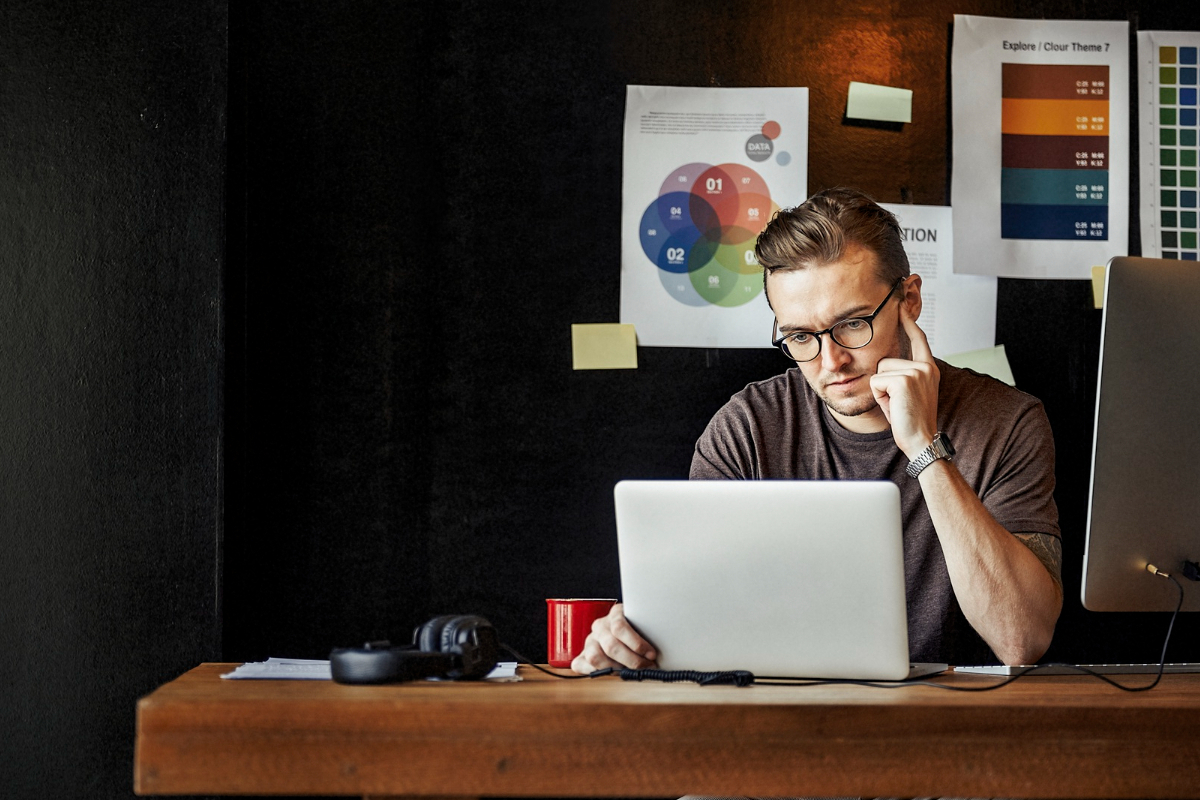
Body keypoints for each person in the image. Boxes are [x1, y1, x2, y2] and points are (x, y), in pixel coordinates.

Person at [574, 188, 1063, 671]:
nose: (831, 361)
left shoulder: (1007, 421)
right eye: (801, 336)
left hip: (952, 715)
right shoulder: (747, 428)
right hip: (782, 710)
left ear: (909, 300)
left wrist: (925, 448)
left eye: (852, 324)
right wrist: (633, 636)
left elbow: (1021, 639)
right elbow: (694, 609)